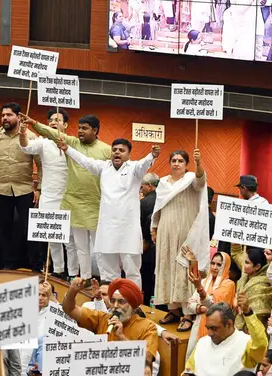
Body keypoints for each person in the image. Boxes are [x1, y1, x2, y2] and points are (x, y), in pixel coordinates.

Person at [20, 112, 111, 280]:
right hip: (60, 198)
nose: (81, 131)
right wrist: (29, 127)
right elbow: (37, 141)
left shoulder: (96, 148)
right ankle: (68, 274)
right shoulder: (58, 142)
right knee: (63, 241)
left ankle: (88, 276)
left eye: (85, 128)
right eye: (80, 128)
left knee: (84, 243)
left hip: (84, 200)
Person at [58, 136, 160, 285]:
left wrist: (153, 155)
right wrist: (67, 149)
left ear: (129, 154)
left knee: (132, 271)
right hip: (107, 229)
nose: (117, 153)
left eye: (121, 150)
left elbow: (144, 164)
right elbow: (85, 161)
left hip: (128, 230)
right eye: (114, 150)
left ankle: (134, 305)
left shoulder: (134, 169)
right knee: (109, 272)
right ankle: (112, 303)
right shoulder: (104, 167)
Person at [0, 103, 43, 271]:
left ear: (18, 117)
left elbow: (40, 163)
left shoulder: (30, 136)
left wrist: (39, 189)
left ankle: (36, 267)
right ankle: (9, 266)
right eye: (3, 115)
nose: (5, 118)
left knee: (30, 229)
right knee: (4, 230)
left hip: (25, 190)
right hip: (0, 190)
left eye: (9, 115)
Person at [152, 149, 209, 328]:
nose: (176, 163)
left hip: (185, 231)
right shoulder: (162, 182)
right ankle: (173, 309)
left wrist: (198, 162)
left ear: (186, 165)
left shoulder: (191, 179)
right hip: (166, 231)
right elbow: (157, 207)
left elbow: (201, 181)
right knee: (167, 266)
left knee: (183, 268)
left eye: (180, 161)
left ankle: (188, 314)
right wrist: (154, 227)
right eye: (174, 160)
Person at [62, 277, 157, 376]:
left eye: (121, 302)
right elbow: (70, 309)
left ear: (133, 306)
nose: (115, 306)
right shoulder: (102, 319)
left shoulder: (148, 326)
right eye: (112, 300)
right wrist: (72, 290)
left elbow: (147, 358)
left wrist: (121, 337)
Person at [19, 108, 70, 277]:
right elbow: (26, 148)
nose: (53, 122)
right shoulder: (43, 142)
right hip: (48, 196)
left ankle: (73, 272)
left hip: (68, 196)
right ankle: (58, 271)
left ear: (66, 125)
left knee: (69, 240)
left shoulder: (73, 142)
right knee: (52, 238)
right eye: (51, 120)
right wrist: (23, 132)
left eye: (58, 119)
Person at [184, 298, 268, 376]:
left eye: (214, 328)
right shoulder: (202, 343)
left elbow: (261, 345)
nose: (209, 333)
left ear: (229, 324)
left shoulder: (245, 343)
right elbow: (188, 371)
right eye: (208, 328)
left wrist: (248, 313)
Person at [183, 250, 236, 356]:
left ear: (225, 266)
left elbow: (216, 307)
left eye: (219, 265)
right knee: (191, 356)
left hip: (217, 329)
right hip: (198, 324)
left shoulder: (229, 284)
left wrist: (199, 289)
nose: (214, 267)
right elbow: (189, 306)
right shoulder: (203, 282)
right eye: (212, 263)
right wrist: (202, 308)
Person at [231, 245, 272, 331]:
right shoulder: (247, 273)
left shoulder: (263, 283)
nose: (243, 265)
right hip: (237, 326)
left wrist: (243, 307)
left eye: (247, 263)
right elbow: (236, 252)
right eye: (244, 262)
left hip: (253, 331)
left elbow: (259, 313)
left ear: (257, 267)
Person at [140, 173, 159, 305]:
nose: (141, 190)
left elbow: (139, 228)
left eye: (142, 187)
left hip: (146, 247)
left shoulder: (144, 203)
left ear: (149, 186)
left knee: (147, 281)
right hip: (159, 248)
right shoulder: (163, 199)